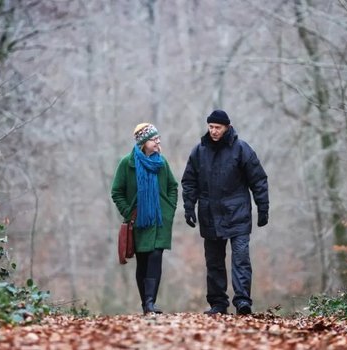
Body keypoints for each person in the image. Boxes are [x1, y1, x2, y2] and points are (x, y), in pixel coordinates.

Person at [181, 109, 269, 315]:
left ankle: (242, 302)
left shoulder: (241, 149)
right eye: (210, 127)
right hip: (209, 215)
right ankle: (218, 304)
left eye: (217, 127)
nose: (213, 131)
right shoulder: (199, 151)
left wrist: (263, 208)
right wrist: (188, 207)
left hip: (237, 215)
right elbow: (189, 181)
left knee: (241, 259)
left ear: (227, 127)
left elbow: (258, 180)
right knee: (214, 263)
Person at [111, 123, 179, 314]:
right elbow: (116, 192)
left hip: (160, 220)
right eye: (153, 139)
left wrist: (169, 209)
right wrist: (128, 212)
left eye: (158, 138)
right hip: (139, 221)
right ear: (143, 143)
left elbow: (173, 187)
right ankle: (145, 304)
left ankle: (150, 302)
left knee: (156, 256)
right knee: (142, 261)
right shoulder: (127, 163)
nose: (158, 141)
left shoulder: (161, 163)